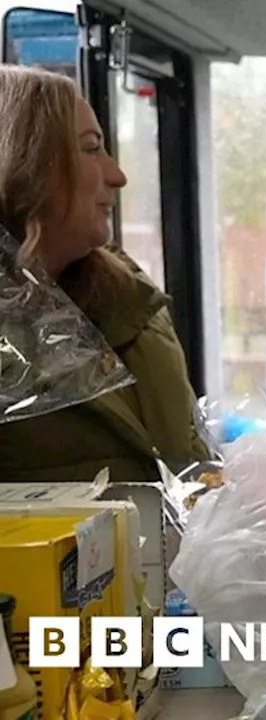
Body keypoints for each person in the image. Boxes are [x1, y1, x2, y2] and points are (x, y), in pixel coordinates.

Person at [0, 66, 211, 482]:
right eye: (91, 148)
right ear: (25, 163)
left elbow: (187, 460)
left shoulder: (128, 295)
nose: (118, 176)